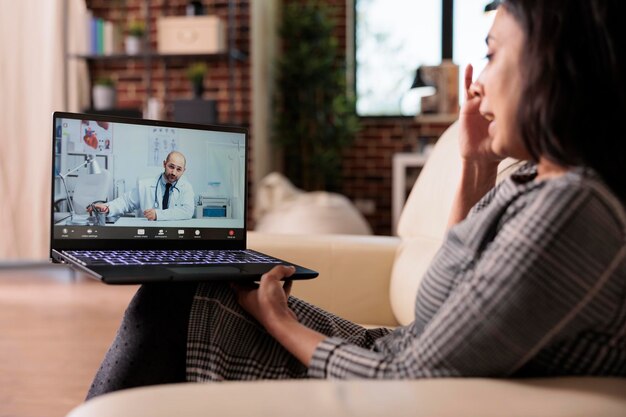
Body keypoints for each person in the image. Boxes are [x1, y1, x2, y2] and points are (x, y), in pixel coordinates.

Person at [87, 0, 625, 398]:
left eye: (490, 55)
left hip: (383, 379)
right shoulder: (532, 180)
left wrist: (279, 319)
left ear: (552, 66)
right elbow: (441, 303)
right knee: (188, 286)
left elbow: (407, 378)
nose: (476, 83)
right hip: (383, 350)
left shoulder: (573, 210)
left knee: (176, 302)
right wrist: (476, 166)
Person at [89, 151, 195, 221]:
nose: (174, 173)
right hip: (148, 236)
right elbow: (125, 202)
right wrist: (107, 207)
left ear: (183, 171)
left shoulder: (186, 187)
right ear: (164, 164)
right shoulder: (145, 185)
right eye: (171, 167)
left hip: (175, 238)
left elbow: (187, 211)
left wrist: (158, 215)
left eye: (179, 169)